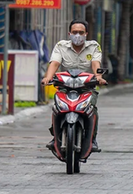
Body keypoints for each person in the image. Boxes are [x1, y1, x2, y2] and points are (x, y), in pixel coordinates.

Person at [42, 20, 107, 152]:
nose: (77, 35)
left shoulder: (94, 46)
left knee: (92, 109)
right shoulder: (61, 46)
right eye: (75, 32)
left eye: (81, 32)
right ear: (69, 33)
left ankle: (92, 139)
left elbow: (95, 63)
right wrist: (48, 77)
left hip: (86, 87)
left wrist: (98, 77)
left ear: (86, 34)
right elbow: (54, 63)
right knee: (57, 108)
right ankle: (55, 137)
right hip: (65, 86)